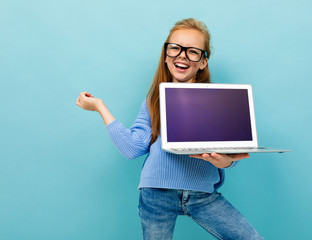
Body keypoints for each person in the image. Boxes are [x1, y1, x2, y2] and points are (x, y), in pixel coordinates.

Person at [76, 18, 264, 240]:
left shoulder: (218, 99)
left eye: (192, 51)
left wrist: (227, 162)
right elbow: (133, 148)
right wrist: (100, 107)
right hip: (156, 195)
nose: (182, 55)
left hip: (203, 195)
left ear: (203, 62)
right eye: (175, 48)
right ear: (166, 56)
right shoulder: (154, 99)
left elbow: (230, 153)